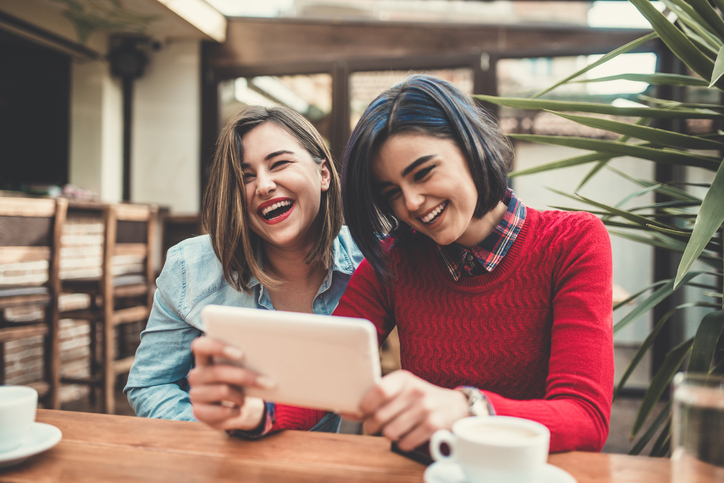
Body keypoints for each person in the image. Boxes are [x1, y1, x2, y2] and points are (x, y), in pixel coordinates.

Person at [332, 74, 614, 453]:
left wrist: (467, 409)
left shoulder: (573, 241)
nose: (412, 203)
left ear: (472, 147)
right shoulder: (393, 259)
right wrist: (259, 409)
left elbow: (585, 418)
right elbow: (323, 372)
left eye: (423, 172)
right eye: (392, 192)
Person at [124, 105, 363, 436]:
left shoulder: (370, 260)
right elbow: (150, 386)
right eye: (245, 176)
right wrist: (227, 433)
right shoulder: (189, 268)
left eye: (279, 164)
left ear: (323, 174)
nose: (263, 186)